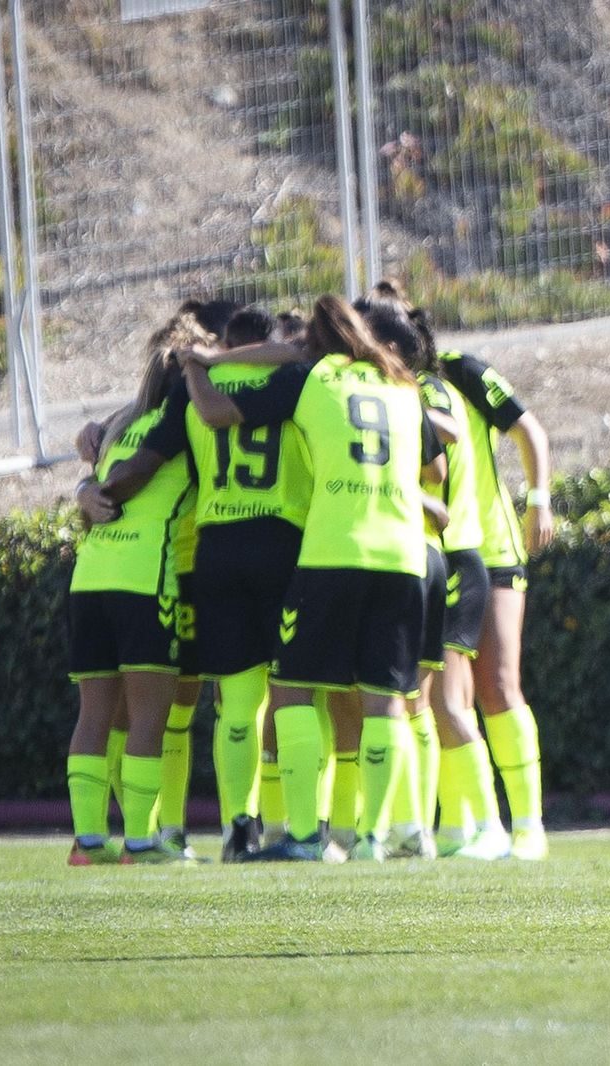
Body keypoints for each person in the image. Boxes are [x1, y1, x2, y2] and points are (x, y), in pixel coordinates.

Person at [181, 295, 444, 862]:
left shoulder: (312, 377)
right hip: (402, 556)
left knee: (294, 689)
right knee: (387, 701)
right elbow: (435, 465)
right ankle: (373, 838)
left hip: (333, 551)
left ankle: (302, 836)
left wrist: (200, 361)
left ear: (316, 342)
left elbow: (225, 411)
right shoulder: (403, 384)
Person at [359, 285, 508, 860]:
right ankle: (440, 828)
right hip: (437, 557)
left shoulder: (425, 392)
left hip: (455, 557)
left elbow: (442, 439)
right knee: (422, 706)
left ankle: (491, 827)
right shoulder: (414, 393)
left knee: (447, 704)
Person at [64, 313, 205, 865]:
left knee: (94, 715)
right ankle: (142, 842)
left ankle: (87, 841)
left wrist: (84, 488)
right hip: (145, 580)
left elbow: (101, 477)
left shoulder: (122, 423)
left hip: (90, 577)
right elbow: (135, 479)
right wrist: (96, 488)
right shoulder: (185, 417)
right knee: (150, 716)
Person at [435, 339, 553, 860]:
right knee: (445, 695)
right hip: (432, 552)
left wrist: (539, 501)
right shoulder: (382, 386)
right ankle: (463, 827)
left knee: (499, 685)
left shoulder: (459, 370)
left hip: (492, 546)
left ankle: (529, 826)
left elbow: (529, 429)